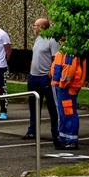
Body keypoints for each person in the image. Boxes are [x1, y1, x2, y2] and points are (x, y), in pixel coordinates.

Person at [24, 18, 59, 146]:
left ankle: (55, 132)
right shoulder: (38, 39)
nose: (34, 27)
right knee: (33, 105)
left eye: (36, 25)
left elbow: (55, 58)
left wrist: (51, 73)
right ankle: (32, 130)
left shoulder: (52, 40)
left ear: (42, 27)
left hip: (45, 77)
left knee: (51, 107)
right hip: (33, 77)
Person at [51, 47, 87, 150]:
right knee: (65, 114)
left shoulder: (69, 51)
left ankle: (71, 140)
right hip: (64, 87)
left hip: (66, 88)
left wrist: (62, 84)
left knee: (68, 113)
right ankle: (64, 139)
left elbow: (69, 71)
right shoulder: (67, 49)